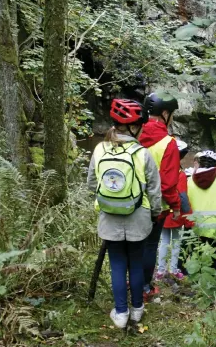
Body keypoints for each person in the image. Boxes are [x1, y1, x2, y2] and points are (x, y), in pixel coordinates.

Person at [87, 99, 162, 328]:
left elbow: (92, 184)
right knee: (136, 264)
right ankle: (137, 309)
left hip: (109, 217)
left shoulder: (100, 149)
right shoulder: (142, 153)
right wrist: (155, 213)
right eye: (139, 124)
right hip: (138, 217)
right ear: (132, 127)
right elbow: (154, 190)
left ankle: (120, 314)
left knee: (117, 264)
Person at [138, 92, 181, 301]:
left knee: (133, 246)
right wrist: (176, 206)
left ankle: (131, 281)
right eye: (171, 114)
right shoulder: (168, 143)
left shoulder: (133, 135)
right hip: (156, 207)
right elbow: (168, 185)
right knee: (149, 246)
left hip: (130, 202)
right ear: (164, 113)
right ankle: (144, 287)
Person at [156, 140, 193, 281]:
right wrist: (187, 216)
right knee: (176, 242)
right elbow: (182, 196)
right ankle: (173, 269)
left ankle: (160, 271)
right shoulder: (180, 174)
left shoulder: (163, 169)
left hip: (163, 212)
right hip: (175, 214)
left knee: (163, 241)